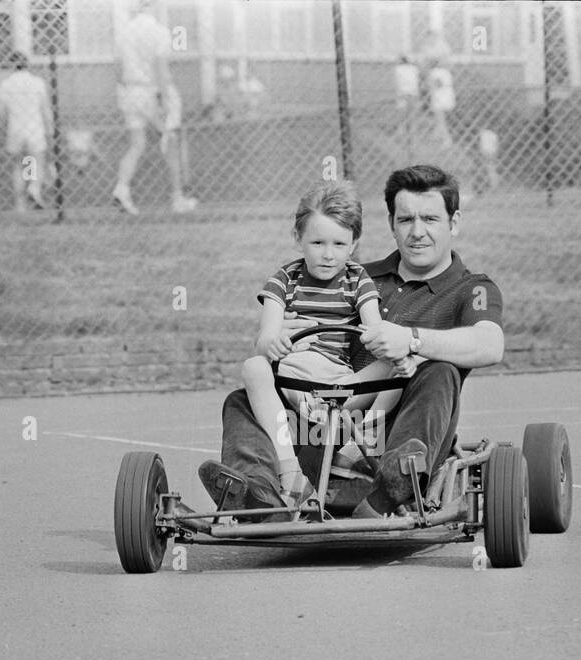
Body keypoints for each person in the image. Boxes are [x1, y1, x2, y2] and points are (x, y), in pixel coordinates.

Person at [199, 165, 504, 521]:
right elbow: (274, 332)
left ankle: (393, 482)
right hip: (316, 428)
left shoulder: (471, 288)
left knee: (439, 370)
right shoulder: (350, 275)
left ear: (453, 223)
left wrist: (412, 340)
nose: (417, 232)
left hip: (389, 432)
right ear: (391, 223)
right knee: (243, 399)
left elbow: (489, 344)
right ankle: (261, 496)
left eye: (430, 219)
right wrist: (276, 335)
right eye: (406, 220)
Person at [239, 180, 417, 512]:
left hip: (340, 389)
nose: (328, 253)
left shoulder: (357, 280)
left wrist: (396, 353)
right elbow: (266, 336)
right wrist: (272, 341)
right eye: (317, 242)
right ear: (298, 239)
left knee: (401, 357)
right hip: (294, 383)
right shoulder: (285, 279)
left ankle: (355, 448)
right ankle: (290, 472)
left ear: (353, 244)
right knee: (254, 365)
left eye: (339, 243)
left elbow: (375, 329)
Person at [112, 0, 197, 215]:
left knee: (137, 144)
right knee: (171, 143)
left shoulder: (123, 33)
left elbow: (118, 72)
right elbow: (160, 67)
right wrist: (163, 98)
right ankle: (178, 198)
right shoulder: (159, 31)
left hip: (130, 91)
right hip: (152, 90)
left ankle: (122, 189)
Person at [0, 51, 53, 212]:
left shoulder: (5, 85)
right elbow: (45, 108)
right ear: (27, 65)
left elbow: (2, 113)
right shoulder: (37, 83)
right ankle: (34, 187)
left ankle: (20, 203)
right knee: (36, 160)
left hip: (15, 128)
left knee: (19, 165)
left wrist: (0, 129)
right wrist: (50, 128)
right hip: (34, 127)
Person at [418, 30, 455, 150]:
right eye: (428, 38)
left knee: (439, 109)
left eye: (432, 37)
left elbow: (448, 63)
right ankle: (438, 133)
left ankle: (446, 138)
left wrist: (436, 62)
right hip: (433, 77)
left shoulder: (443, 47)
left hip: (441, 78)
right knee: (437, 109)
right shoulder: (426, 48)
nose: (430, 40)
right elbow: (423, 65)